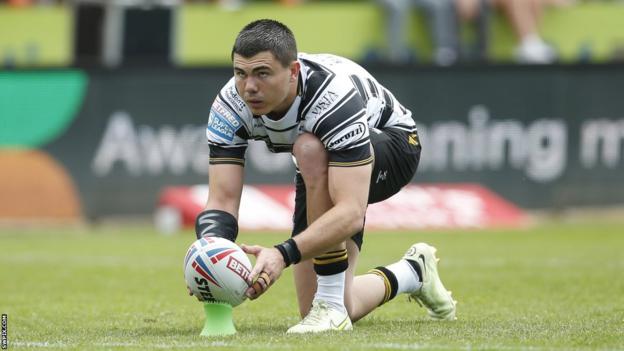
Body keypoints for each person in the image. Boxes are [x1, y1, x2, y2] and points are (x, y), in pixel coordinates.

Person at [194, 19, 457, 333]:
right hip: (320, 158)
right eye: (241, 73)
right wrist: (208, 256)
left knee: (308, 148)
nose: (249, 87)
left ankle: (330, 307)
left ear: (292, 72)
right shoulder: (229, 105)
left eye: (262, 73)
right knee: (312, 308)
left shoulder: (331, 96)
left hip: (395, 144)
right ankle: (413, 272)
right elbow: (222, 200)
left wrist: (282, 254)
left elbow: (350, 213)